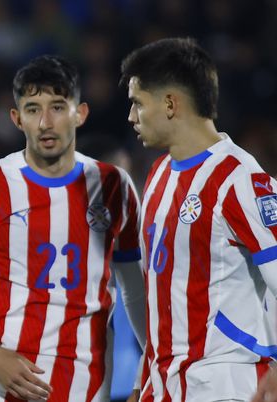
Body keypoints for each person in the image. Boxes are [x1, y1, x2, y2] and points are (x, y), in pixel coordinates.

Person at [0, 54, 147, 401]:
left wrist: (150, 361)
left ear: (80, 113)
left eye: (58, 107)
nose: (46, 122)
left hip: (86, 386)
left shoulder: (114, 185)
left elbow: (134, 289)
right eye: (33, 109)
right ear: (17, 119)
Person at [120, 37, 277, 401]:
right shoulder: (159, 175)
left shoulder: (239, 180)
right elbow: (162, 298)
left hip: (224, 385)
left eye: (138, 103)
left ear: (171, 103)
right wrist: (142, 381)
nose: (131, 116)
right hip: (165, 385)